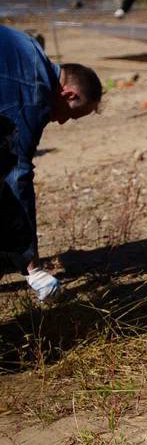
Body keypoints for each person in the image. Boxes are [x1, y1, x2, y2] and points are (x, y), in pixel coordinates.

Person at [0, 26, 102, 302]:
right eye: (71, 114)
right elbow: (15, 176)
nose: (61, 121)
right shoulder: (34, 97)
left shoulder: (30, 48)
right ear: (68, 94)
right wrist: (33, 266)